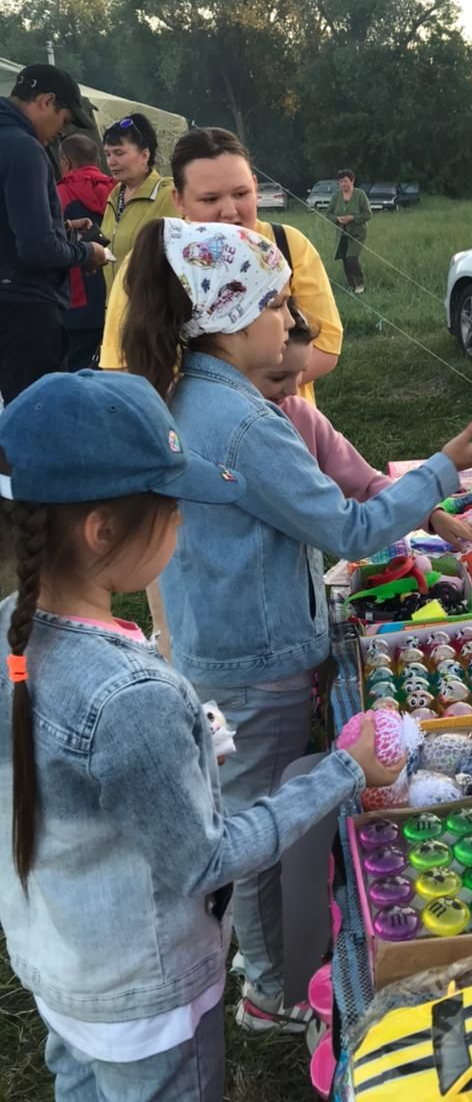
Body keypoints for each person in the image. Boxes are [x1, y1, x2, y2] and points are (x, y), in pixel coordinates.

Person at [121, 217, 472, 1032]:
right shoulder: (238, 421)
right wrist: (439, 471)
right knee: (258, 833)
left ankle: (261, 959)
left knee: (253, 813)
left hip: (229, 641)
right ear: (227, 316)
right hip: (250, 656)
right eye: (274, 306)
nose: (286, 322)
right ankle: (268, 990)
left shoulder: (198, 396)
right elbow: (349, 528)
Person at [0, 368, 400, 1100]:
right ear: (103, 531)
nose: (186, 523)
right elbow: (205, 860)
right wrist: (343, 769)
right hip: (148, 1000)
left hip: (59, 965)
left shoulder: (16, 633)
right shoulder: (131, 694)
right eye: (175, 507)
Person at [101, 127, 343, 403]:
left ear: (255, 186)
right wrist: (215, 403)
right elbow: (120, 365)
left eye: (241, 194)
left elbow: (325, 346)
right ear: (178, 200)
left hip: (285, 423)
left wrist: (247, 396)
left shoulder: (286, 244)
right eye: (210, 199)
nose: (230, 211)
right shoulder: (153, 258)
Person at [249, 305, 472, 552]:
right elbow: (350, 532)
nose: (293, 389)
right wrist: (441, 470)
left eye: (301, 374)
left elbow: (365, 482)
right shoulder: (244, 433)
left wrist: (432, 515)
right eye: (277, 377)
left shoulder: (301, 414)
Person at [0, 65, 110, 405]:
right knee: (41, 421)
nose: (61, 132)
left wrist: (59, 228)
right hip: (26, 311)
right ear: (47, 101)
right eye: (64, 119)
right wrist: (86, 253)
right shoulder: (24, 148)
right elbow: (35, 248)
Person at [98, 113, 177, 289]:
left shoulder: (168, 195)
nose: (111, 162)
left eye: (119, 153)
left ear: (144, 155)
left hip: (151, 311)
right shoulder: (115, 196)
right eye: (107, 154)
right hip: (114, 309)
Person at [56, 134, 114, 370]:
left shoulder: (58, 194)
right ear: (97, 159)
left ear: (65, 161)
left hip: (74, 303)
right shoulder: (118, 191)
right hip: (113, 298)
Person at [327, 168, 371, 293]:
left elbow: (368, 215)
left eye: (345, 181)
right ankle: (351, 285)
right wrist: (337, 219)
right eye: (340, 182)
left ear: (352, 181)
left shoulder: (360, 194)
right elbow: (328, 214)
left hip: (357, 233)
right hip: (342, 233)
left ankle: (360, 285)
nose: (343, 184)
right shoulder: (336, 196)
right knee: (345, 259)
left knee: (352, 258)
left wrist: (352, 218)